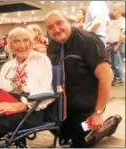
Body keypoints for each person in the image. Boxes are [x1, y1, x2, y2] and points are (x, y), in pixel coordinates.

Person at [45, 10, 121, 147]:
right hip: (63, 108)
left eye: (59, 23)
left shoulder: (89, 41)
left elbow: (106, 78)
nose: (56, 29)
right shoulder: (52, 46)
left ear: (68, 21)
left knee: (81, 141)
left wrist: (97, 112)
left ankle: (108, 125)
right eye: (50, 27)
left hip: (87, 110)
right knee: (60, 133)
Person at [107, 3, 125, 86]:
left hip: (118, 45)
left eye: (115, 9)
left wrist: (117, 45)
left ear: (119, 10)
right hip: (112, 45)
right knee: (113, 64)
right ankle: (116, 78)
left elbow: (122, 34)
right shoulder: (112, 21)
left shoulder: (122, 20)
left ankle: (120, 79)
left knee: (118, 63)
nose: (113, 11)